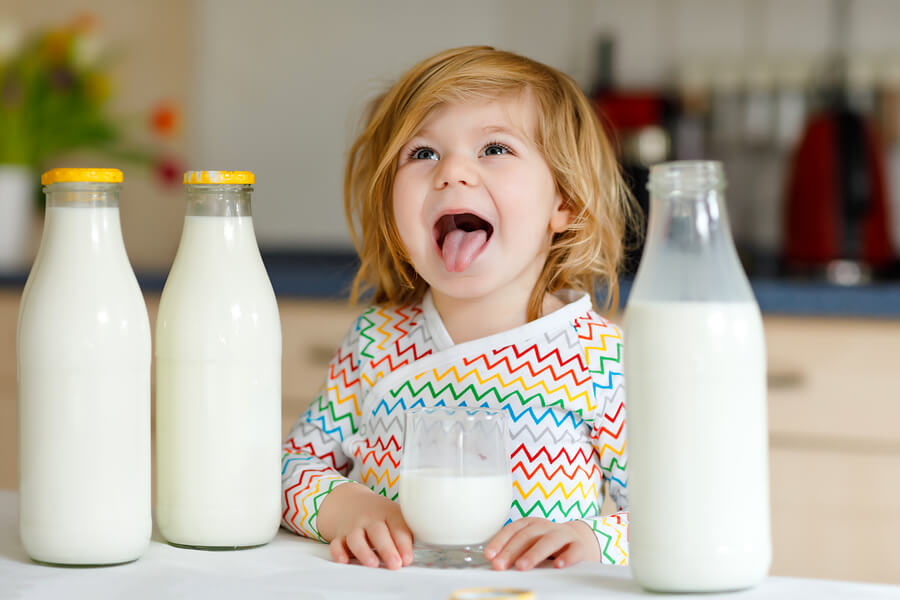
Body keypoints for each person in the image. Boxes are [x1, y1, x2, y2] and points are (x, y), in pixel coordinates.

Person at [281, 46, 635, 571]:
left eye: (494, 148)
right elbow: (289, 470)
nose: (452, 172)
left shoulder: (597, 356)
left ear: (565, 202)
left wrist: (589, 541)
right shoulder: (377, 341)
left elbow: (674, 515)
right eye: (422, 154)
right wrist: (346, 505)